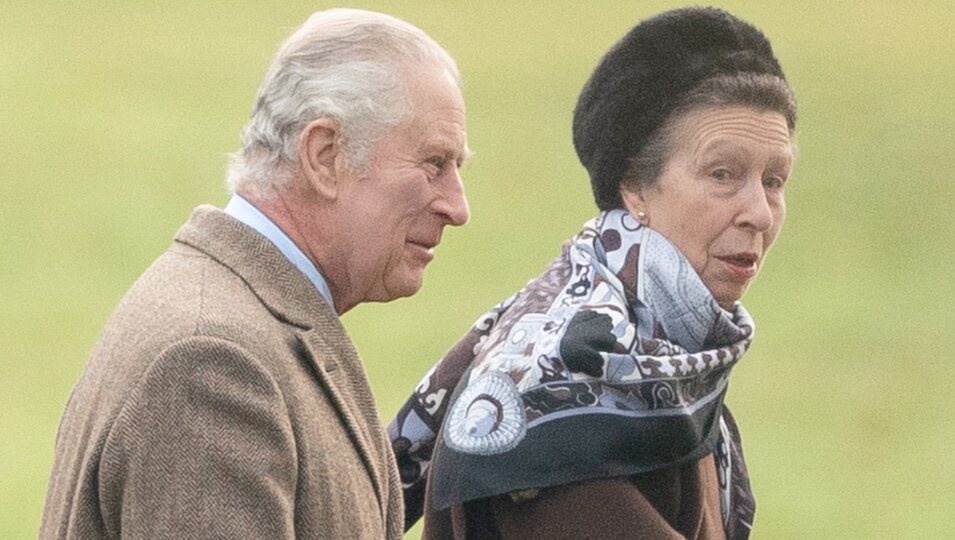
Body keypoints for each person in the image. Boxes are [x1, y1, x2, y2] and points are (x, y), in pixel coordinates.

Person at [40, 8, 469, 539]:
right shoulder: (211, 363)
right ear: (325, 155)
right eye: (434, 163)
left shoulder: (238, 319)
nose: (457, 205)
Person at [389, 7, 796, 539]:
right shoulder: (567, 398)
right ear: (634, 187)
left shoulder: (660, 358)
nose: (759, 214)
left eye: (774, 180)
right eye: (723, 174)